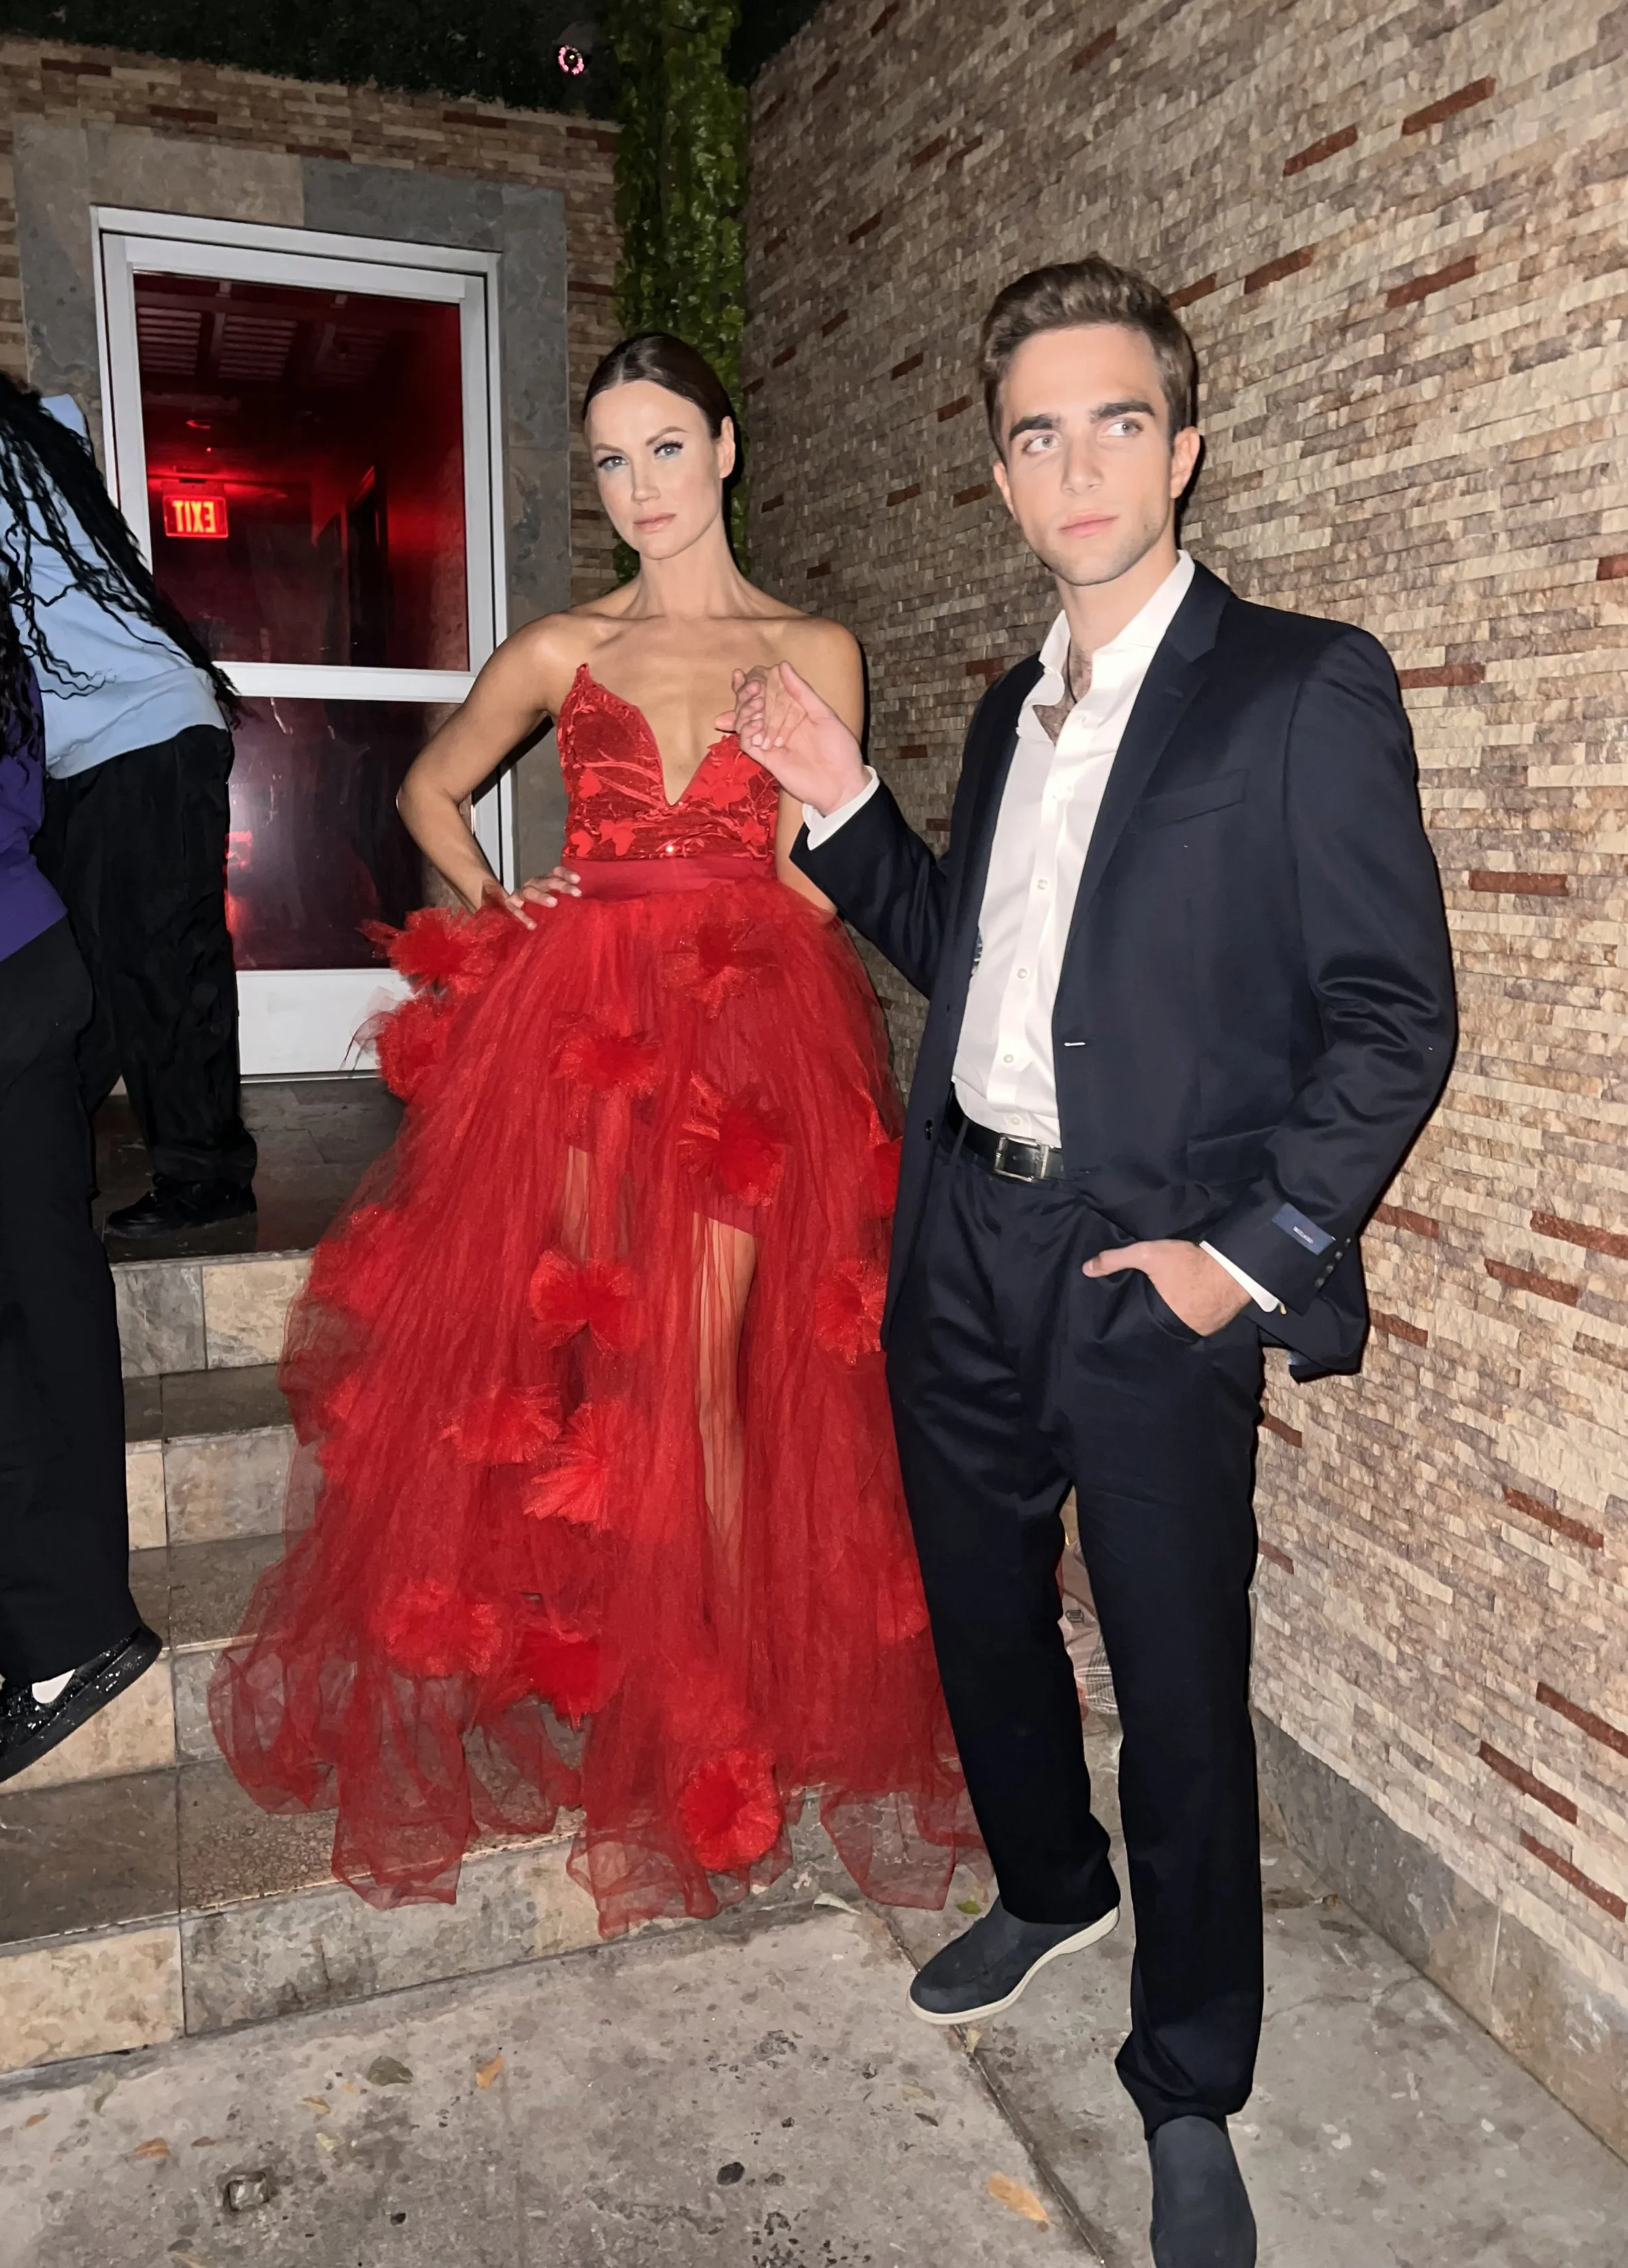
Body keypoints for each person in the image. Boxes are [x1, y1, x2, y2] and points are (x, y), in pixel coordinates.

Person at [723, 257, 1455, 2268]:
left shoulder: (1299, 683)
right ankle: (1049, 1879)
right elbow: (989, 953)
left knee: (1178, 1675)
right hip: (959, 1220)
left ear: (1182, 443)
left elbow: (1396, 1016)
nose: (1075, 462)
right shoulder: (1008, 701)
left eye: (1114, 418)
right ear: (1000, 469)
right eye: (1035, 430)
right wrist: (847, 810)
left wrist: (1247, 1255)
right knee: (973, 1602)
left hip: (1151, 1260)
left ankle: (1189, 2075)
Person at [212, 333, 975, 1933]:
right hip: (578, 1033)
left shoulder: (812, 648)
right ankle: (621, 1644)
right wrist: (508, 901)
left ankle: (705, 1722)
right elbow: (429, 789)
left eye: (665, 450)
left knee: (703, 1377)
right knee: (596, 1363)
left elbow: (818, 872)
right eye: (612, 461)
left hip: (746, 1029)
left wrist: (742, 911)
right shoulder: (562, 645)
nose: (639, 488)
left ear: (727, 446)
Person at [0, 401, 160, 1794]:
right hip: (30, 958)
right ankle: (60, 1553)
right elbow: (23, 783)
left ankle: (64, 1638)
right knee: (46, 1282)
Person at [0, 319, 255, 1240]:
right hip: (100, 742)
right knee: (89, 966)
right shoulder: (20, 428)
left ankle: (208, 1181)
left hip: (136, 734)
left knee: (152, 964)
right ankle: (42, 1167)